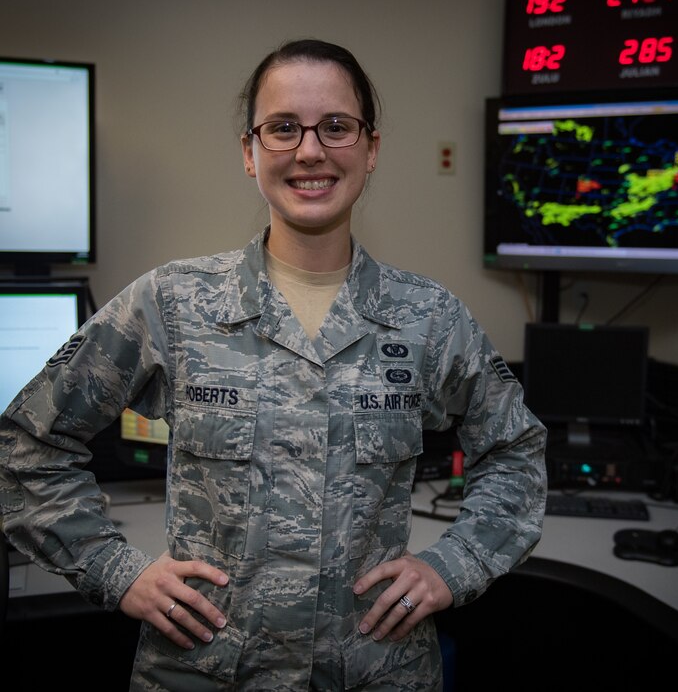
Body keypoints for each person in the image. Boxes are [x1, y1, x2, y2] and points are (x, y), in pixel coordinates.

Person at [0, 38, 547, 691]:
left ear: (371, 149)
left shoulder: (429, 319)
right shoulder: (172, 304)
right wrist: (117, 571)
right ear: (248, 151)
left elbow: (516, 452)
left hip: (375, 672)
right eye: (283, 128)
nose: (310, 150)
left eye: (336, 127)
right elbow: (28, 444)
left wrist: (454, 564)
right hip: (207, 672)